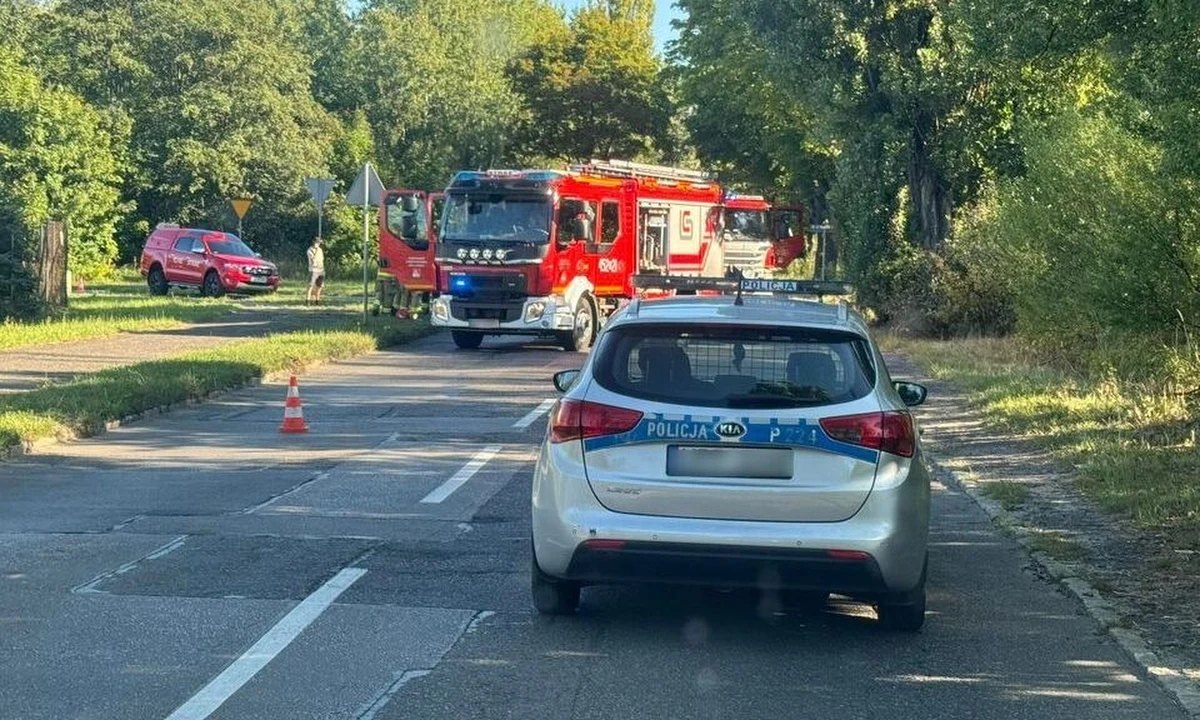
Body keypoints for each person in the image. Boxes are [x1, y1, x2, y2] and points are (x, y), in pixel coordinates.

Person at [306, 237, 325, 305]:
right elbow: (313, 260)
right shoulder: (309, 250)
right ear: (314, 242)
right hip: (313, 270)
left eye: (319, 243)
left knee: (320, 286)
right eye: (317, 242)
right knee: (310, 285)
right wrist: (315, 252)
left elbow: (322, 259)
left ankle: (317, 300)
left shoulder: (320, 250)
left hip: (321, 269)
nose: (318, 244)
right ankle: (308, 300)